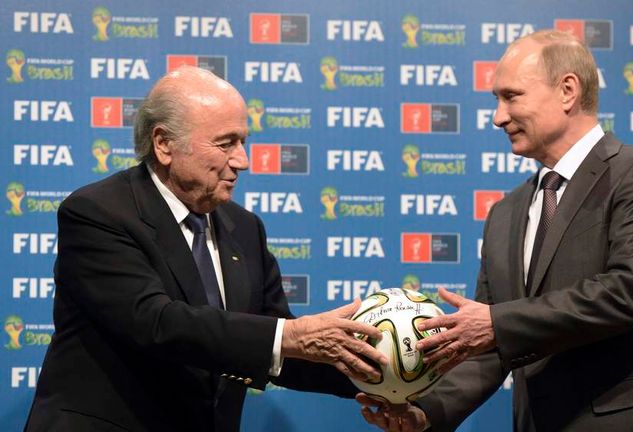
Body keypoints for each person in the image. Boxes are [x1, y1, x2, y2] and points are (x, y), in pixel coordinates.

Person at [359, 30, 633, 431]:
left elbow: (630, 292)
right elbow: (488, 347)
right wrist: (427, 412)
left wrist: (497, 324)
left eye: (511, 96)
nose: (497, 116)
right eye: (496, 101)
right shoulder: (505, 213)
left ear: (567, 90)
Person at [26, 66, 387, 432]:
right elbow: (156, 322)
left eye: (243, 142)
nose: (242, 160)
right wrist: (288, 336)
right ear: (164, 143)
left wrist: (390, 381)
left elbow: (281, 351)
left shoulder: (244, 228)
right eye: (225, 143)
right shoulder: (99, 212)